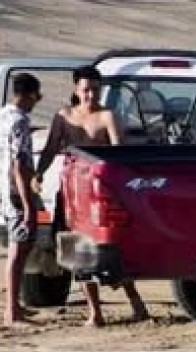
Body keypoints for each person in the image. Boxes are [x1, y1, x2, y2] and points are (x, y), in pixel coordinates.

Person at [34, 65, 149, 327]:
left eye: (96, 90)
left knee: (112, 250)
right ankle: (94, 312)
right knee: (77, 251)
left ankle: (137, 303)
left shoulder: (107, 116)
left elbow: (120, 153)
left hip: (100, 193)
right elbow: (51, 148)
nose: (91, 95)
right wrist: (38, 174)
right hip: (72, 192)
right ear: (77, 89)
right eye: (86, 90)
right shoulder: (63, 117)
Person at [1, 72, 41, 327]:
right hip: (15, 192)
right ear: (27, 95)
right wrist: (28, 204)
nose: (37, 101)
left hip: (3, 190)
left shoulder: (2, 116)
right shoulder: (19, 122)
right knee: (18, 248)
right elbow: (19, 165)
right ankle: (12, 310)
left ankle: (14, 306)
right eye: (37, 96)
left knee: (18, 247)